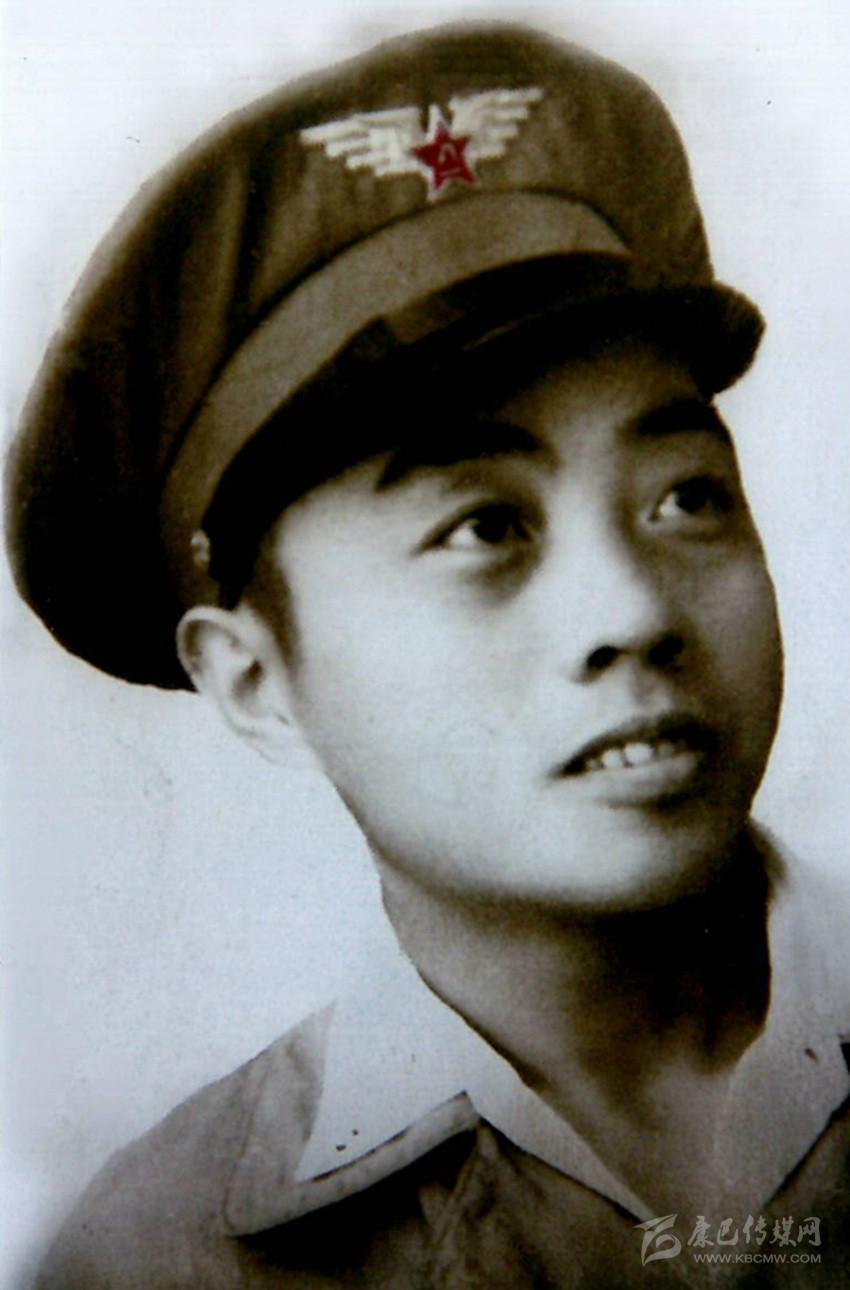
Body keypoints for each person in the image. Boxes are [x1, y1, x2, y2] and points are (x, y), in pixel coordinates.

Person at [6, 21, 849, 1288]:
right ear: (257, 682)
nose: (631, 611)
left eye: (685, 497)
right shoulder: (161, 1258)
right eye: (485, 529)